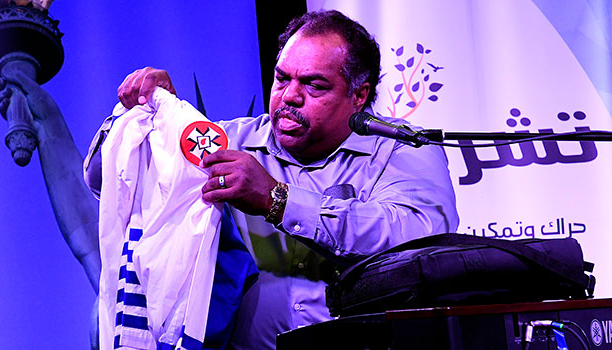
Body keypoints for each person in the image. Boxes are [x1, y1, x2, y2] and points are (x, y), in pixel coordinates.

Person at [85, 9, 459, 349]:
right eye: (282, 79)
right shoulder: (227, 142)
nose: (290, 96)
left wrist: (276, 199)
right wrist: (151, 118)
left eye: (314, 85)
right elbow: (110, 180)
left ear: (359, 95)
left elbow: (420, 234)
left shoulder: (401, 149)